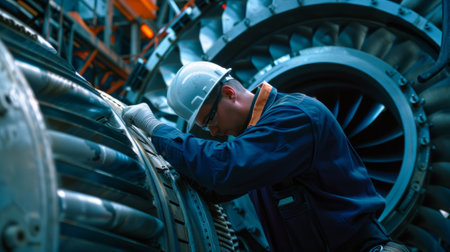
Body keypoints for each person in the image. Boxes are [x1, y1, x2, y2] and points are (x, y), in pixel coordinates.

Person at [122, 61, 409, 252]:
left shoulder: (294, 116)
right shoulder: (259, 137)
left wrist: (157, 129)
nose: (214, 130)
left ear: (229, 93)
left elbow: (227, 169)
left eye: (209, 119)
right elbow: (213, 185)